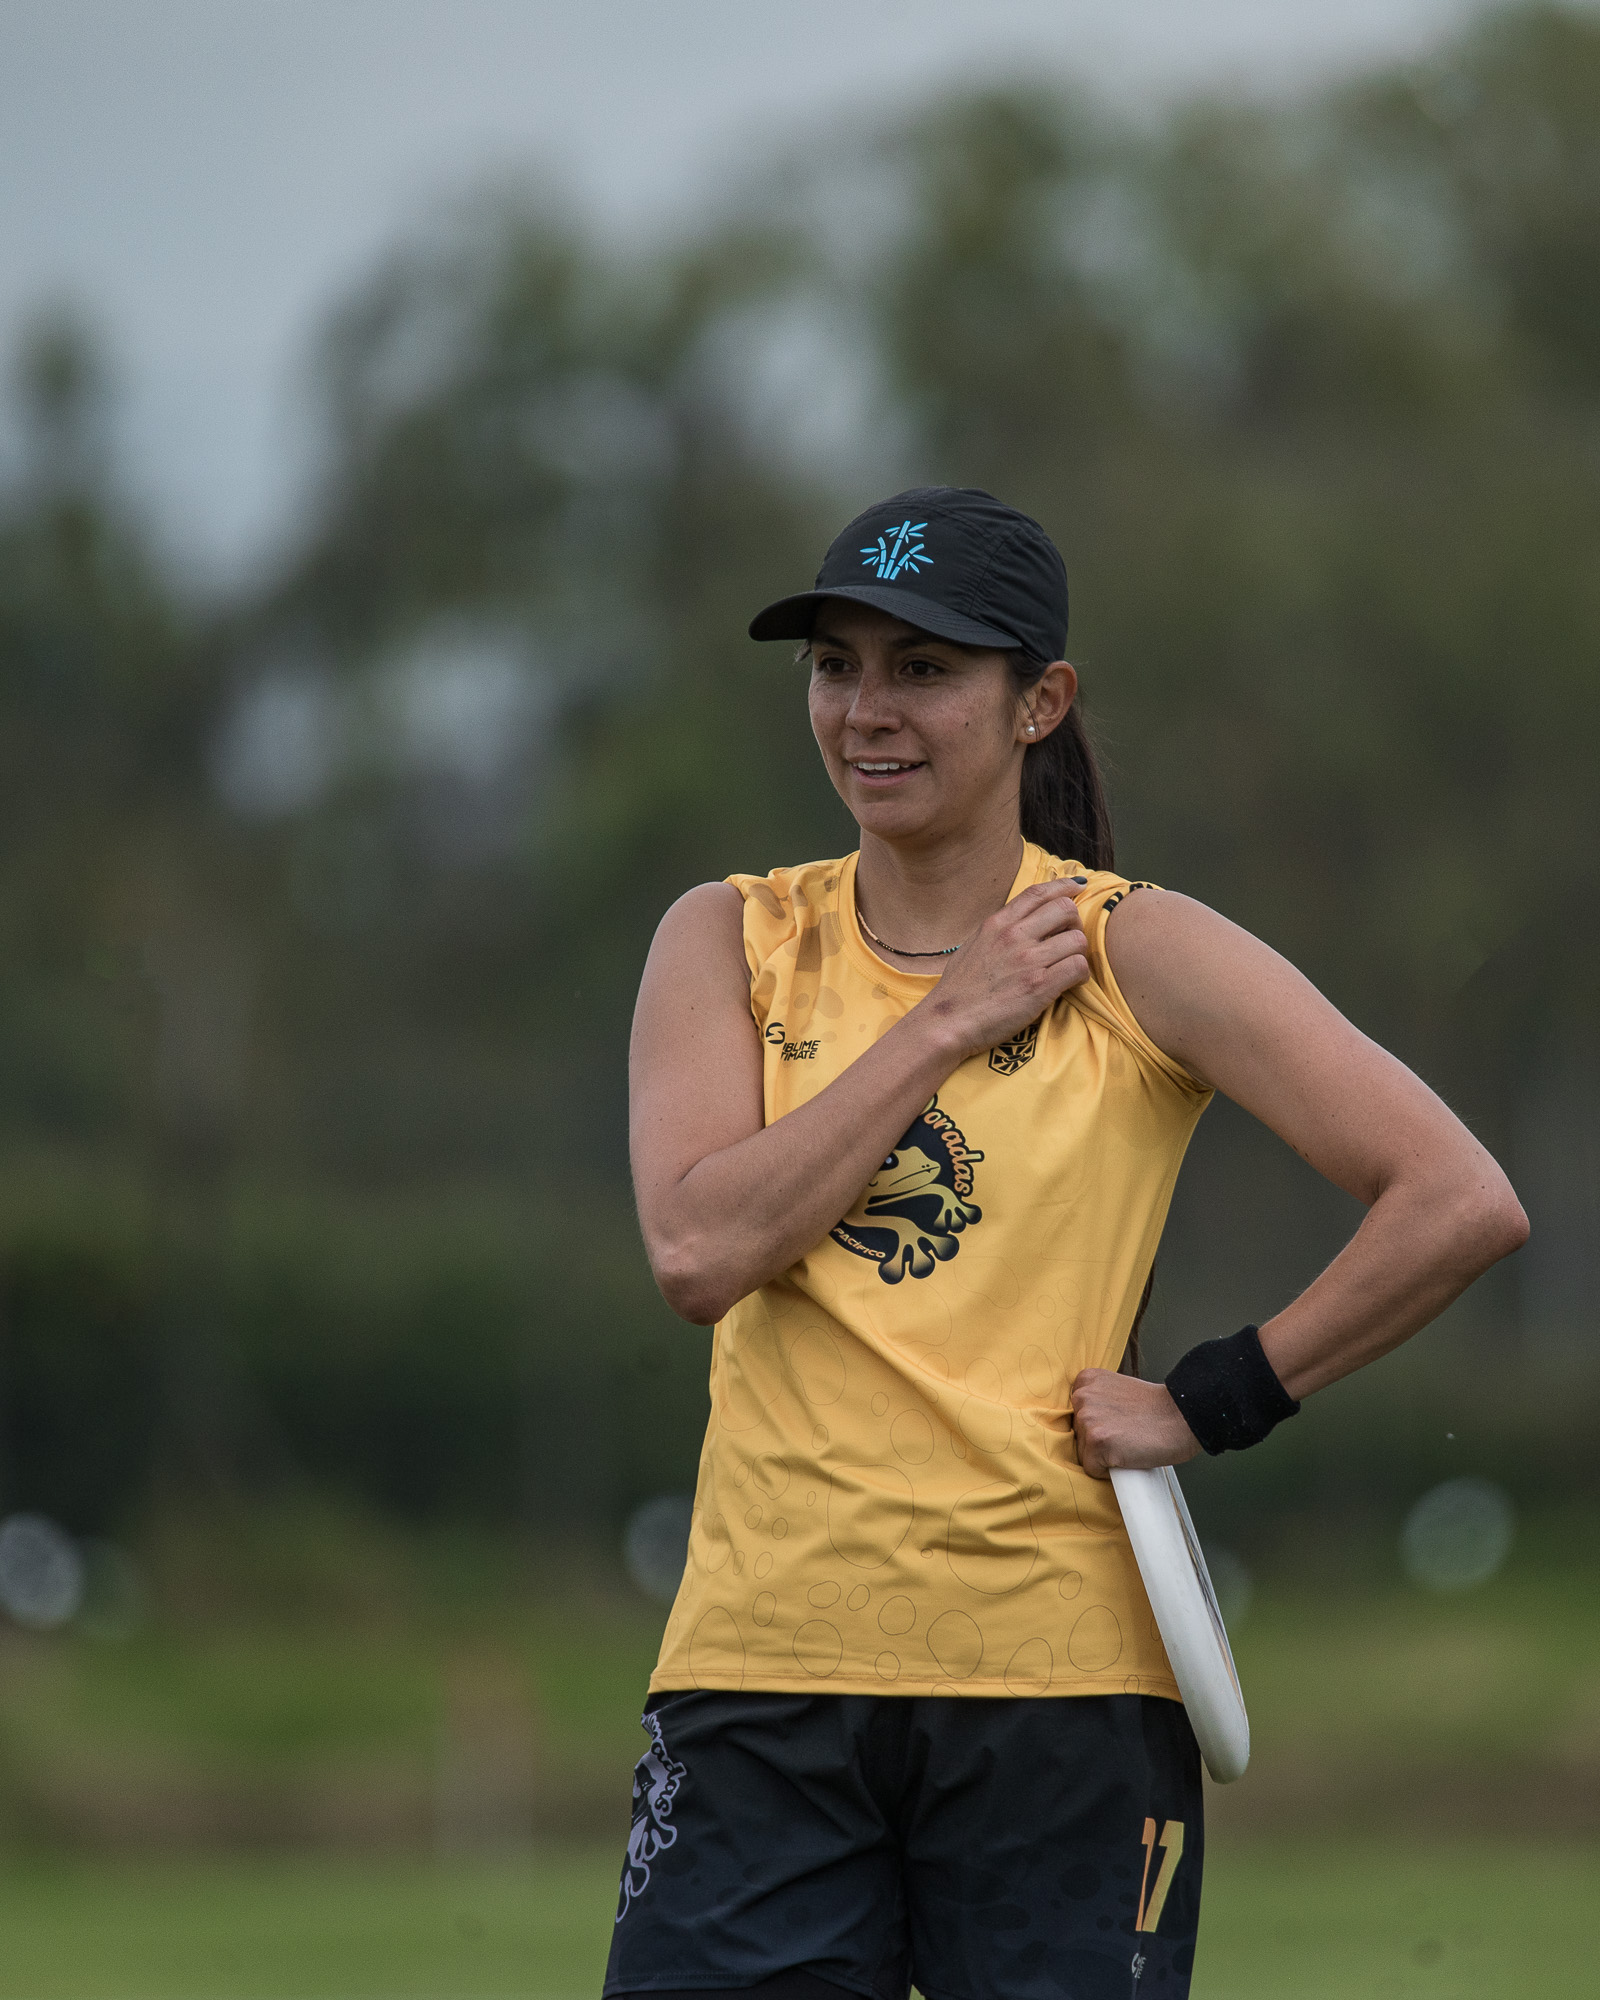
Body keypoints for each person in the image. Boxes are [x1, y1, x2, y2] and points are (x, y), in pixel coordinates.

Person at [606, 486, 1527, 2000]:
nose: (866, 710)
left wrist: (1210, 1401)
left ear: (1038, 702)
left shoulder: (1129, 947)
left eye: (923, 668)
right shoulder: (728, 936)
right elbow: (700, 1252)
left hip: (1062, 1694)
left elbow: (1456, 1194)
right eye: (836, 667)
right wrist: (948, 1020)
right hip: (760, 1679)